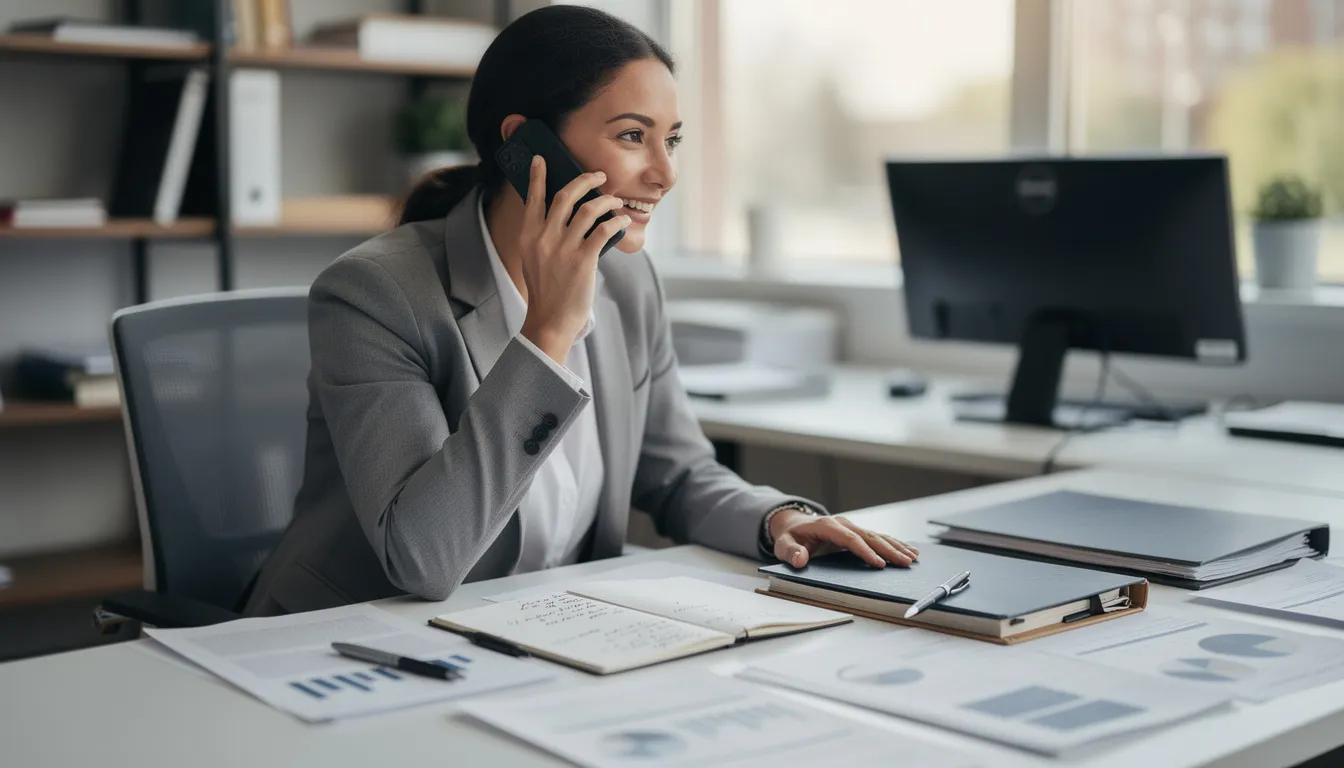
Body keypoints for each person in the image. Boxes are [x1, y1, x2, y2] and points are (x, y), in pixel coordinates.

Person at [244, 5, 917, 616]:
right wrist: (548, 335)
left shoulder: (627, 280)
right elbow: (424, 558)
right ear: (527, 146)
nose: (665, 173)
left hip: (536, 630)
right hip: (354, 638)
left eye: (672, 140)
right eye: (632, 136)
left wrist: (776, 520)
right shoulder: (375, 294)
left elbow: (677, 472)